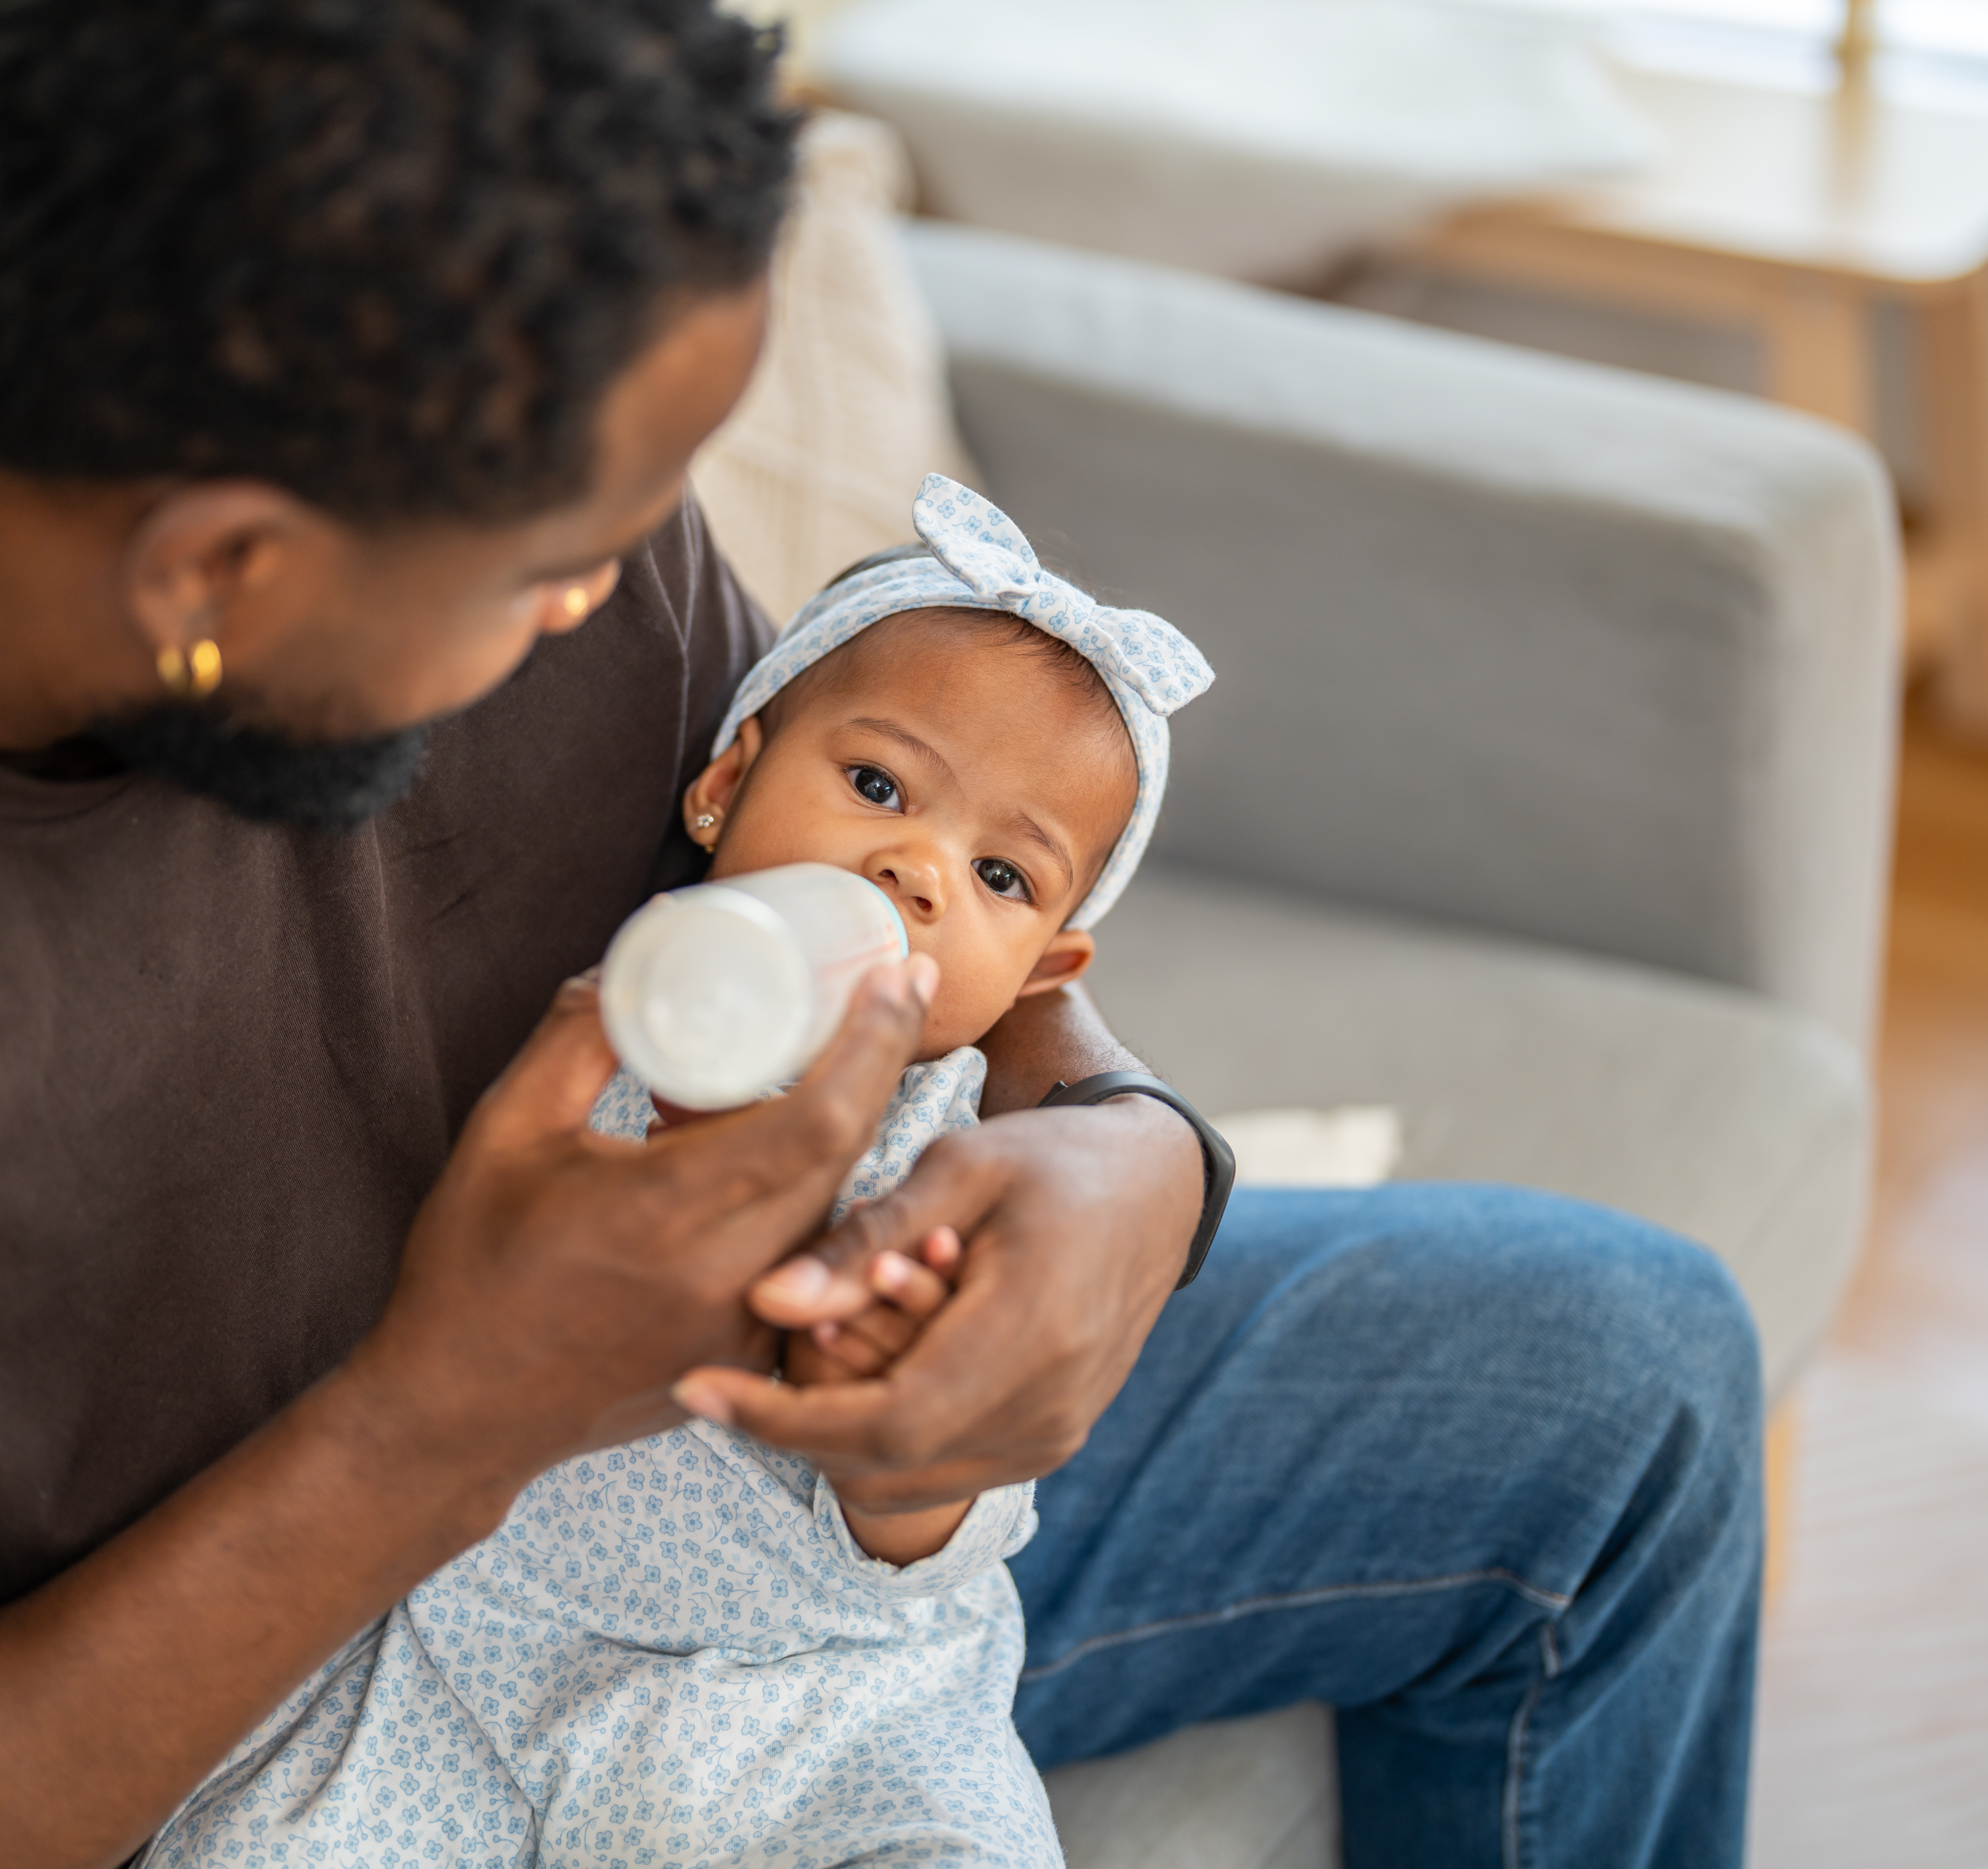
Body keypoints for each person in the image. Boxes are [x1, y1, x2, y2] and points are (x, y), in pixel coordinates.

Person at [0, 5, 1765, 1868]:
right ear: (222, 575)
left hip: (724, 1478)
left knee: (1618, 1377)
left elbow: (834, 859)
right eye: (561, 567)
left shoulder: (440, 324)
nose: (608, 605)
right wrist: (450, 1422)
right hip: (264, 1726)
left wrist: (1110, 1145)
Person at [148, 476, 1211, 1868]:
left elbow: (942, 1521)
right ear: (724, 786)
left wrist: (894, 1432)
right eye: (879, 787)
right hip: (457, 1652)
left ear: (1046, 975)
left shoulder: (962, 1159)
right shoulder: (590, 1014)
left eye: (1003, 879)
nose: (917, 871)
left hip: (804, 1699)